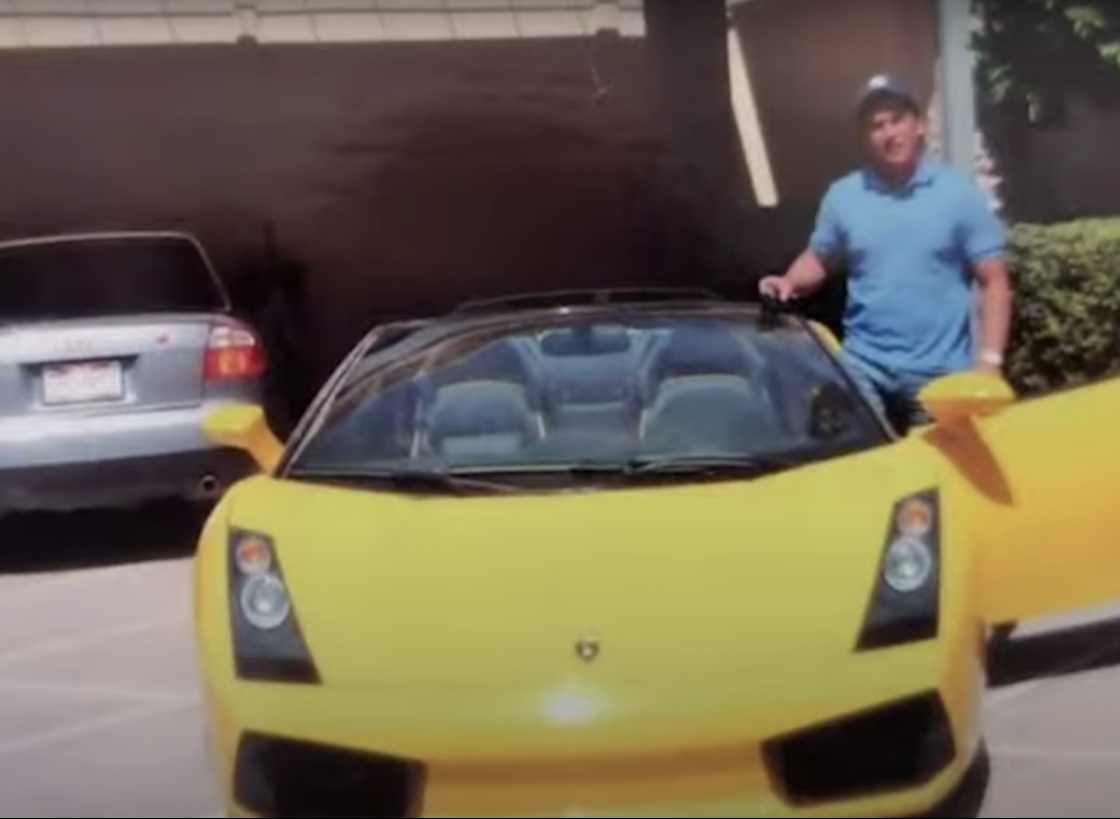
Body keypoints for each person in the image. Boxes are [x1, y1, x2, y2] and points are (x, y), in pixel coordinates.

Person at [758, 73, 1013, 432]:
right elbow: (818, 257)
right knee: (852, 466)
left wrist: (989, 363)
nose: (889, 133)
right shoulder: (844, 196)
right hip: (865, 368)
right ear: (866, 137)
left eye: (897, 120)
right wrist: (788, 281)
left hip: (939, 378)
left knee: (932, 480)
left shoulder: (958, 195)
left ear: (919, 126)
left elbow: (995, 281)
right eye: (877, 125)